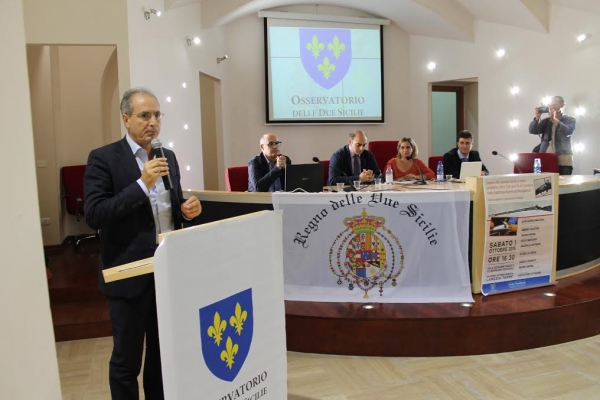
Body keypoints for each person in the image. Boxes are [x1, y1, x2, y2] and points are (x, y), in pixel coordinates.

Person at [84, 87, 202, 400]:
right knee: (127, 360)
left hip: (166, 273)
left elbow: (167, 208)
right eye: (144, 115)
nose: (153, 122)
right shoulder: (104, 158)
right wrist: (141, 184)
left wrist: (185, 211)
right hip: (127, 274)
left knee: (162, 358)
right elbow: (95, 214)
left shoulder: (168, 156)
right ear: (126, 119)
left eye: (157, 115)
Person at [528, 95, 576, 175]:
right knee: (547, 182)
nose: (552, 107)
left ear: (562, 105)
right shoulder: (546, 121)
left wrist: (555, 121)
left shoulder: (569, 119)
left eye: (555, 105)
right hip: (546, 156)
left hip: (563, 157)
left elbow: (569, 131)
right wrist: (537, 118)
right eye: (550, 105)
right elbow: (533, 130)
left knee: (564, 183)